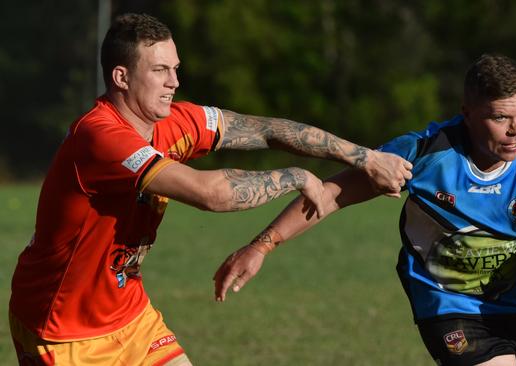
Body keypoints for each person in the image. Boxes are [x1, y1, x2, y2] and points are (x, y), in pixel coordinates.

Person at [8, 13, 413, 366]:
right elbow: (208, 193)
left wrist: (365, 158)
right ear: (121, 76)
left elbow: (268, 130)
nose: (175, 82)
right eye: (160, 71)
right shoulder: (101, 137)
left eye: (176, 69)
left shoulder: (174, 121)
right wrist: (297, 176)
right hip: (62, 329)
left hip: (128, 312)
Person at [214, 54, 516, 366]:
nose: (515, 130)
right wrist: (262, 245)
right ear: (467, 114)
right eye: (500, 117)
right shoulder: (426, 156)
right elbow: (330, 194)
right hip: (448, 304)